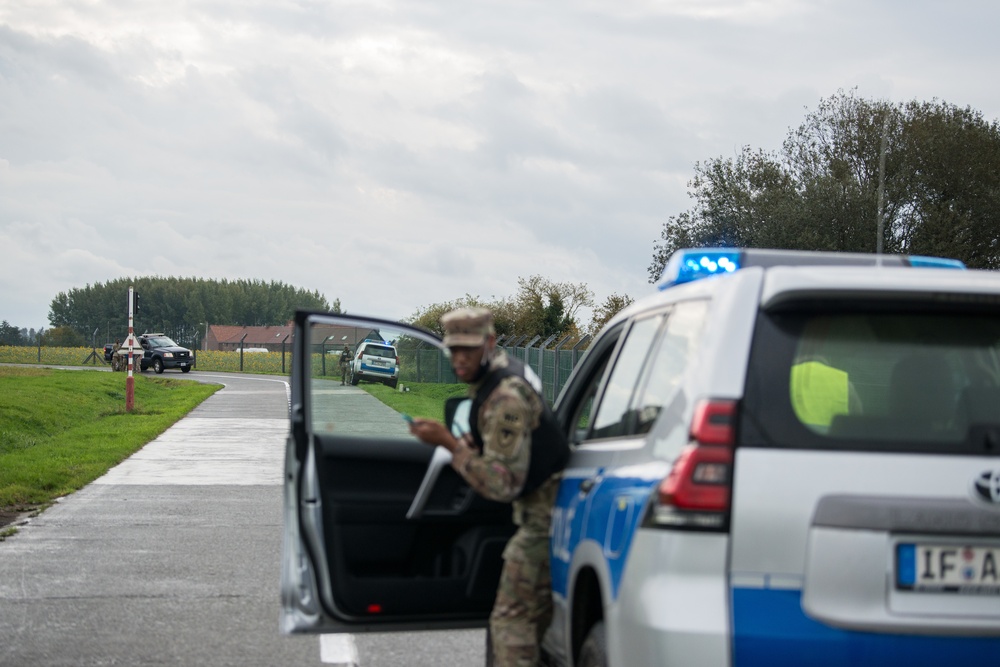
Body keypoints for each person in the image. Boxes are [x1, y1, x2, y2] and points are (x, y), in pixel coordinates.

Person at [408, 308, 569, 667]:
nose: (460, 358)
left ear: (489, 343)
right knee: (532, 627)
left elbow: (501, 485)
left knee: (511, 625)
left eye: (468, 348)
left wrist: (450, 445)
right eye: (454, 349)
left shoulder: (504, 398)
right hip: (550, 515)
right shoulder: (499, 379)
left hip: (543, 523)